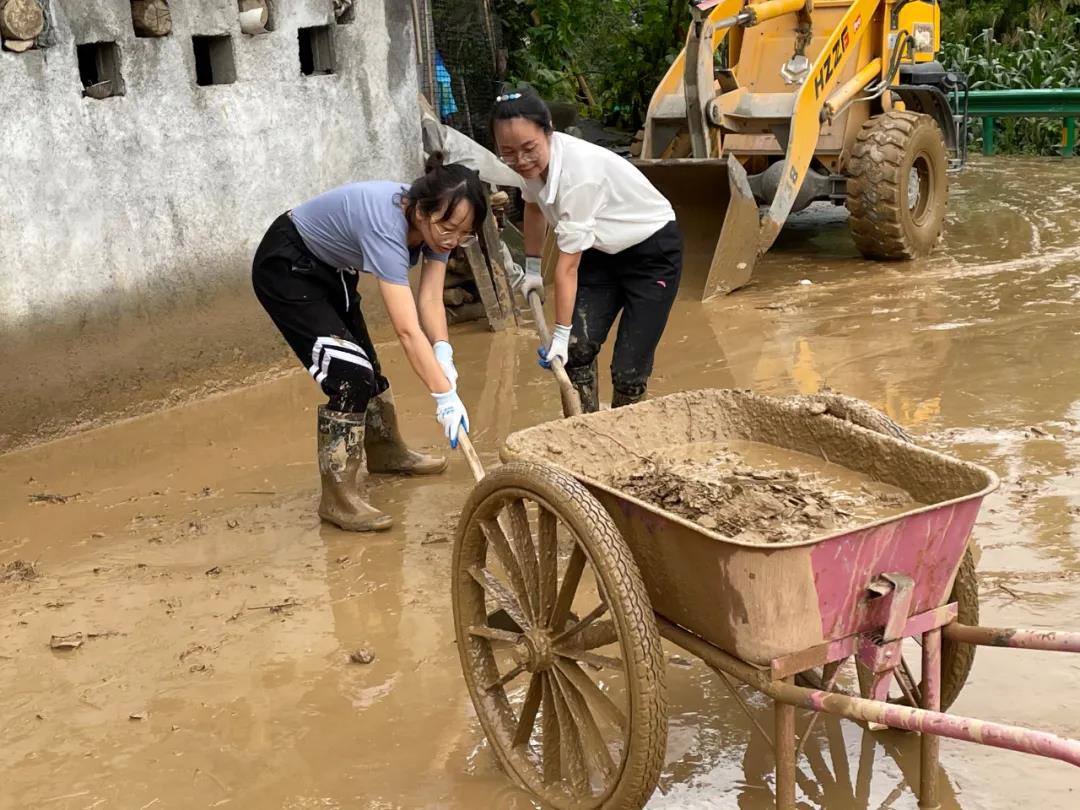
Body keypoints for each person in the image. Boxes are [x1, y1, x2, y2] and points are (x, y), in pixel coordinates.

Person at [251, 155, 483, 532]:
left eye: (464, 233)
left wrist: (443, 350)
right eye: (448, 229)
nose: (452, 240)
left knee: (368, 368)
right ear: (421, 211)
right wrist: (444, 396)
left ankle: (386, 451)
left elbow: (429, 298)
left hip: (332, 269)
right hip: (288, 267)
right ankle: (338, 499)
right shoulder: (387, 226)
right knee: (350, 375)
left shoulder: (439, 223)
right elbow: (406, 330)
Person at [491, 89, 683, 411]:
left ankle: (625, 434)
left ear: (548, 131)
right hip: (599, 250)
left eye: (529, 148)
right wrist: (533, 269)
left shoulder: (579, 176)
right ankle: (583, 430)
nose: (520, 160)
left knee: (628, 371)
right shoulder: (527, 168)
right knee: (576, 353)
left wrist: (560, 334)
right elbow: (534, 208)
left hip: (651, 254)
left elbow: (567, 268)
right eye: (508, 152)